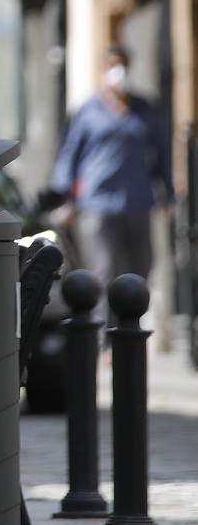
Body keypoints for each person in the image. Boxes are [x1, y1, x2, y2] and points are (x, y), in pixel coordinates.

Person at [49, 44, 173, 319]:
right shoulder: (88, 111)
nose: (119, 72)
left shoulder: (144, 109)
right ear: (103, 71)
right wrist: (65, 198)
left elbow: (162, 153)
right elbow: (70, 154)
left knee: (140, 269)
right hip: (98, 203)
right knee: (103, 271)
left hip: (138, 202)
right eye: (113, 65)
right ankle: (105, 339)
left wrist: (169, 194)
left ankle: (132, 330)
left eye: (123, 65)